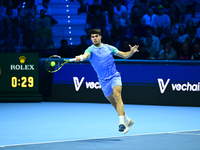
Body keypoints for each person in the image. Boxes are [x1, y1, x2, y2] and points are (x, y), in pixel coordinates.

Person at [74, 29, 139, 134]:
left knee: (117, 96)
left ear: (100, 37)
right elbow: (85, 55)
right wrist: (80, 57)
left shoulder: (109, 48)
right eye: (92, 37)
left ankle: (121, 123)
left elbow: (124, 55)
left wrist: (131, 52)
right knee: (113, 102)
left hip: (114, 77)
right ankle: (127, 120)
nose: (94, 38)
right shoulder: (90, 49)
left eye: (96, 36)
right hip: (103, 81)